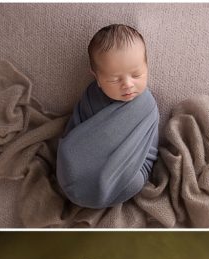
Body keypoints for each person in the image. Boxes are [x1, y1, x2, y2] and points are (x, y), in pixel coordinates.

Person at [56, 24, 160, 208]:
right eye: (114, 79)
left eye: (136, 74)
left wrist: (132, 169)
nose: (127, 84)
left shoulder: (146, 106)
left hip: (126, 170)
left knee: (135, 181)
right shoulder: (91, 96)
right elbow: (76, 133)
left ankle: (105, 193)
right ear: (96, 77)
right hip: (84, 167)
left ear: (147, 66)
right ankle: (82, 189)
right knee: (66, 155)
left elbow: (149, 149)